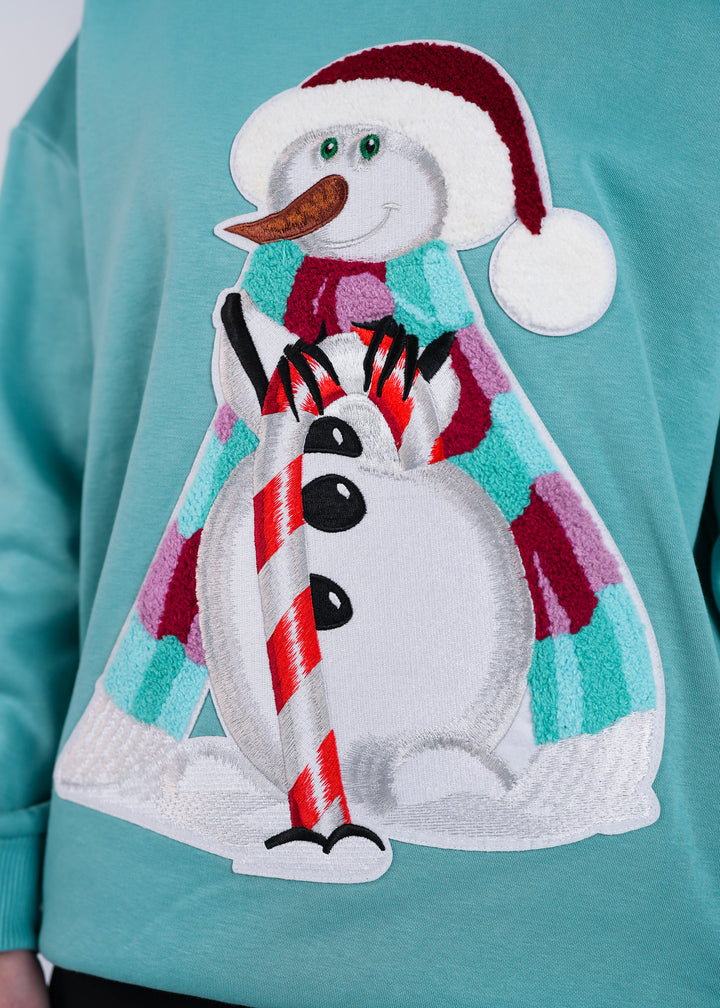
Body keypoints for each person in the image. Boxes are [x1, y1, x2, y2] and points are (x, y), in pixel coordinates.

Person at [1, 3, 719, 1006]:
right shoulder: (144, 27)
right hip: (156, 944)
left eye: (369, 148)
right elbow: (29, 482)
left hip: (604, 959)